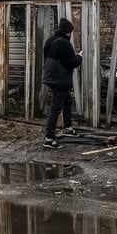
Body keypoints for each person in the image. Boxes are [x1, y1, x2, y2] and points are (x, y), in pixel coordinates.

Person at [42, 17, 82, 149]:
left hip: (51, 77)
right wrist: (79, 56)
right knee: (56, 108)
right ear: (69, 32)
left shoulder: (50, 41)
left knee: (67, 102)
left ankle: (68, 127)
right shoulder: (64, 44)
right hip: (60, 79)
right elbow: (72, 63)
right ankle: (48, 138)